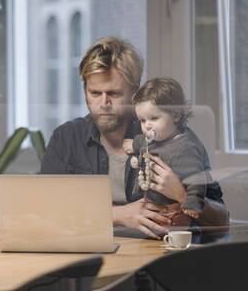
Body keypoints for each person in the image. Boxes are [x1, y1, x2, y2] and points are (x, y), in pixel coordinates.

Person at [40, 36, 228, 239]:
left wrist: (183, 195)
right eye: (95, 93)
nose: (104, 103)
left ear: (134, 93)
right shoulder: (66, 138)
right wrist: (118, 215)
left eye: (113, 93)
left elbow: (222, 222)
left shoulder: (174, 137)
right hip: (90, 255)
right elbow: (44, 214)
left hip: (157, 258)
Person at [122, 78, 210, 219]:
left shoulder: (185, 148)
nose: (147, 126)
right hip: (150, 207)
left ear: (175, 115)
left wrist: (191, 203)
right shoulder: (159, 136)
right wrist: (134, 144)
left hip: (174, 212)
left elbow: (197, 179)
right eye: (142, 120)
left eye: (154, 118)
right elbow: (145, 141)